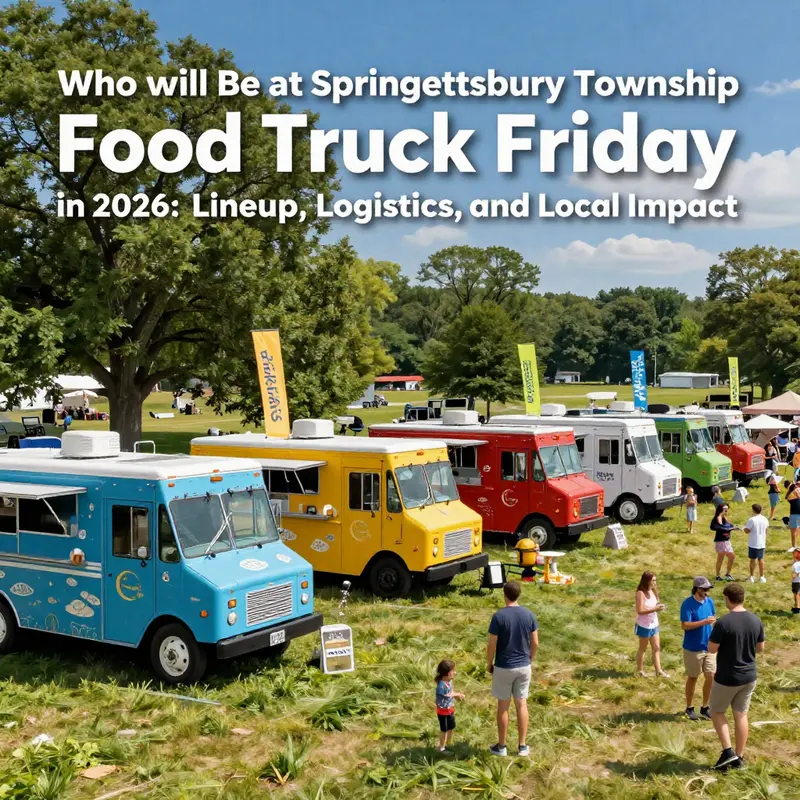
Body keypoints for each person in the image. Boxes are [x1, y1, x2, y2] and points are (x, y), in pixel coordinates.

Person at [708, 583, 765, 771]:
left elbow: (711, 649)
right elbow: (760, 648)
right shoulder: (756, 620)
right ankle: (740, 757)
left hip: (727, 677)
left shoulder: (723, 623)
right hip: (749, 677)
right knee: (741, 715)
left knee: (717, 711)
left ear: (727, 598)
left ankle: (728, 751)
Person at [486, 581, 538, 758]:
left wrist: (489, 663)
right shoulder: (529, 614)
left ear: (504, 595)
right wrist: (530, 658)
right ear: (519, 594)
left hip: (504, 666)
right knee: (521, 704)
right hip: (524, 666)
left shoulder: (499, 616)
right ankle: (522, 746)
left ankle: (501, 746)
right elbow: (535, 642)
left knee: (503, 706)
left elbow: (491, 644)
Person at [680, 576, 717, 721]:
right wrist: (704, 622)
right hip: (693, 648)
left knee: (711, 676)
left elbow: (713, 616)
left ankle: (705, 707)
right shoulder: (687, 604)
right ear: (697, 589)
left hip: (709, 647)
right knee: (693, 677)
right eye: (704, 589)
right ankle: (689, 707)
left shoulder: (710, 601)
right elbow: (685, 625)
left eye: (708, 589)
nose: (707, 591)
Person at [634, 571, 669, 678]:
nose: (655, 582)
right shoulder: (641, 593)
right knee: (643, 649)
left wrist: (659, 606)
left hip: (654, 624)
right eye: (653, 580)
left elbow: (653, 605)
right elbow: (640, 610)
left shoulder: (653, 591)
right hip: (644, 625)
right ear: (647, 581)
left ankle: (659, 671)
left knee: (657, 647)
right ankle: (640, 670)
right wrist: (655, 609)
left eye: (655, 580)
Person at [434, 659, 464, 752]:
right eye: (453, 670)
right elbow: (445, 695)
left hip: (450, 709)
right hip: (443, 712)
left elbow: (451, 692)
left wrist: (457, 696)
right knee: (444, 729)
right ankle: (441, 747)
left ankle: (449, 743)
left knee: (451, 727)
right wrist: (456, 695)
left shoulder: (449, 681)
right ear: (447, 673)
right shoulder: (441, 685)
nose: (455, 672)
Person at [711, 503, 736, 582]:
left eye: (727, 509)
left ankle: (727, 574)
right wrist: (727, 528)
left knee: (730, 556)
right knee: (722, 558)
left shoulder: (724, 518)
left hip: (726, 540)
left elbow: (730, 525)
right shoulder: (717, 518)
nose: (726, 510)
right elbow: (716, 527)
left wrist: (732, 528)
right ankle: (718, 575)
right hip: (721, 541)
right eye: (725, 509)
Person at [744, 503, 769, 583]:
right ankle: (762, 577)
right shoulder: (765, 519)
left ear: (753, 510)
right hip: (761, 542)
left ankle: (751, 577)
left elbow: (747, 531)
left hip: (753, 542)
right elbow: (766, 531)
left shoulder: (752, 519)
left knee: (752, 560)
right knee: (761, 559)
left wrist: (743, 528)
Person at [785, 480, 800, 551]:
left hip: (795, 514)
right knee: (794, 531)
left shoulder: (791, 496)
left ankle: (795, 546)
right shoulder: (791, 496)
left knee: (796, 531)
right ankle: (794, 546)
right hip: (794, 514)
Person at [791, 548, 800, 615]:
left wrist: (793, 577)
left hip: (796, 581)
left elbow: (796, 573)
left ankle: (797, 608)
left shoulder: (796, 564)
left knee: (796, 594)